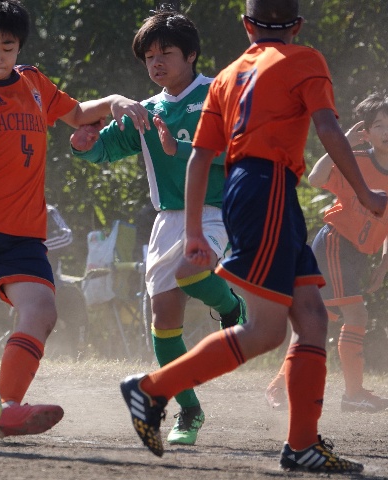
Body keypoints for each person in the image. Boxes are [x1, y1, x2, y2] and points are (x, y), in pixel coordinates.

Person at [119, 0, 387, 473]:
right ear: (297, 26)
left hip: (257, 191)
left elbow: (199, 158)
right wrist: (366, 192)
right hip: (266, 188)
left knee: (312, 318)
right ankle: (152, 390)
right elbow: (328, 127)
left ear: (246, 26)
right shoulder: (305, 59)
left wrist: (196, 230)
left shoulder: (227, 76)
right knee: (266, 330)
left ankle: (301, 444)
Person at [0, 0, 150, 439]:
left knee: (42, 310)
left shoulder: (34, 83)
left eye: (7, 48)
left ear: (19, 47)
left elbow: (78, 114)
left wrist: (114, 101)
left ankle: (4, 409)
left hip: (21, 233)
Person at [70, 9, 246, 446]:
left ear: (191, 54)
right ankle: (189, 410)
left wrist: (182, 148)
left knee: (191, 271)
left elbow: (240, 152)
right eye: (149, 56)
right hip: (168, 219)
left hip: (217, 211)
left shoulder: (219, 93)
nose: (156, 62)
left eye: (166, 52)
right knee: (164, 321)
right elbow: (105, 148)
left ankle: (231, 307)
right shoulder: (145, 111)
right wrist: (85, 145)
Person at [265, 93, 388, 412]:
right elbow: (316, 178)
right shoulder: (355, 159)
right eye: (379, 124)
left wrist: (383, 265)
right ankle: (353, 395)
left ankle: (278, 386)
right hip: (335, 244)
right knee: (357, 315)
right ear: (366, 132)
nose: (386, 130)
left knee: (317, 322)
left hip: (357, 255)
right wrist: (341, 145)